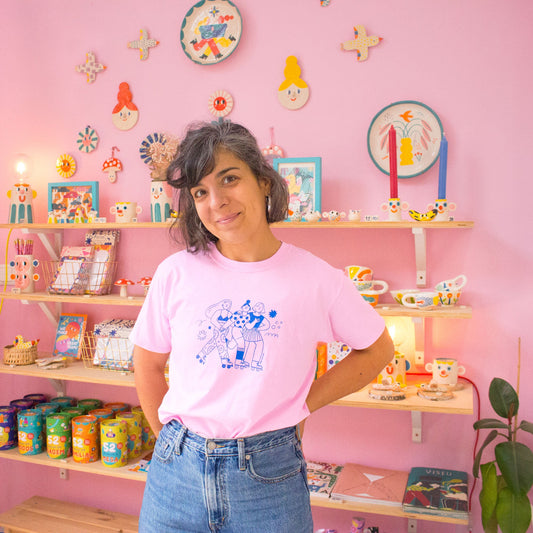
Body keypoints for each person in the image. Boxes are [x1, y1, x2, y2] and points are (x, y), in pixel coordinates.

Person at [130, 121, 394, 533]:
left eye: (229, 179)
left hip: (269, 476)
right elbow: (146, 365)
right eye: (200, 192)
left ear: (265, 182)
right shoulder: (175, 273)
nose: (216, 202)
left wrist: (304, 402)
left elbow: (378, 350)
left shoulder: (316, 278)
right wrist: (168, 442)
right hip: (175, 473)